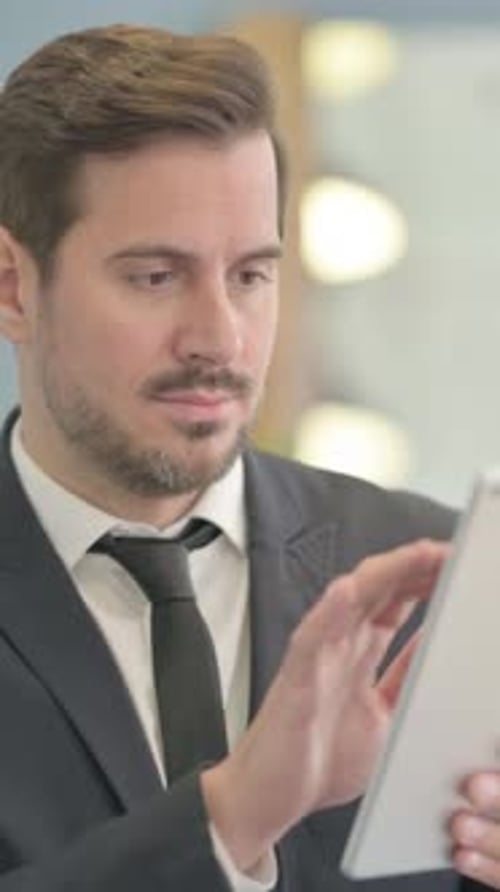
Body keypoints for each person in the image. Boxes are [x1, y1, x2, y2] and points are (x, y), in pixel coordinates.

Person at [0, 22, 496, 892]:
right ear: (13, 286)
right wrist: (232, 815)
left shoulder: (437, 588)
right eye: (155, 277)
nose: (220, 338)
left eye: (251, 275)